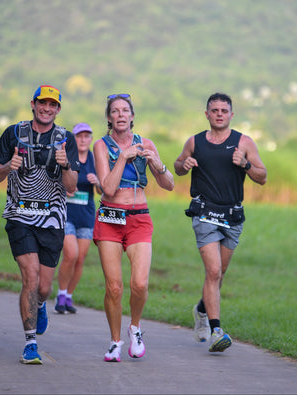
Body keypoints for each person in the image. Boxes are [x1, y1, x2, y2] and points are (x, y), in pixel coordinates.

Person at [0, 85, 79, 364]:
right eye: (43, 103)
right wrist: (8, 167)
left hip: (52, 220)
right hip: (19, 216)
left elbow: (72, 187)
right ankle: (30, 344)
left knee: (43, 287)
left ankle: (40, 304)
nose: (47, 109)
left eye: (52, 105)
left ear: (58, 109)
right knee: (30, 276)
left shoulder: (66, 139)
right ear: (33, 104)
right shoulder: (14, 134)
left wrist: (65, 165)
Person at [174, 92, 267, 353]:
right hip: (204, 212)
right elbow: (178, 165)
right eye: (214, 110)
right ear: (207, 114)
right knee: (213, 272)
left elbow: (262, 176)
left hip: (232, 215)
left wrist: (245, 163)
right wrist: (185, 164)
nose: (219, 114)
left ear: (231, 114)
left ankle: (201, 310)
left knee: (219, 274)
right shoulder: (195, 141)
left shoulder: (244, 142)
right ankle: (217, 331)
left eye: (223, 111)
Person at [93, 93, 174, 362]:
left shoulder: (146, 143)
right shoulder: (101, 146)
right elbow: (108, 188)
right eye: (114, 111)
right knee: (114, 287)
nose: (120, 115)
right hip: (110, 218)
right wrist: (123, 158)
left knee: (139, 283)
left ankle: (135, 328)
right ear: (109, 117)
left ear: (132, 116)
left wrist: (157, 164)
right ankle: (115, 341)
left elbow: (169, 184)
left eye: (125, 110)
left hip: (139, 218)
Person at [55, 122, 101, 314]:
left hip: (87, 215)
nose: (83, 139)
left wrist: (97, 181)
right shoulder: (68, 157)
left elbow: (103, 190)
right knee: (71, 254)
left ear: (90, 139)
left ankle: (69, 297)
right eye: (79, 136)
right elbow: (56, 181)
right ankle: (60, 294)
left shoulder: (95, 160)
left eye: (86, 136)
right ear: (74, 138)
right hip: (67, 214)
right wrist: (66, 188)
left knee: (80, 259)